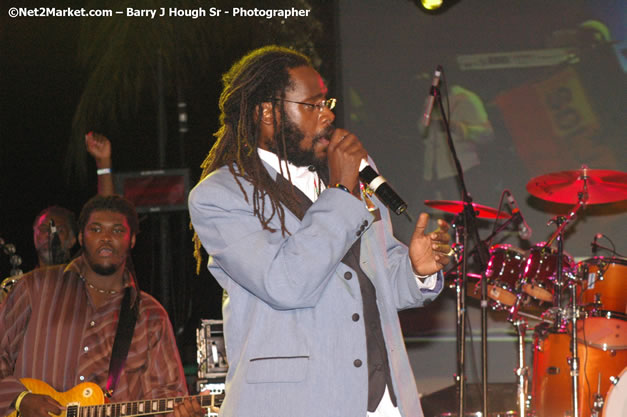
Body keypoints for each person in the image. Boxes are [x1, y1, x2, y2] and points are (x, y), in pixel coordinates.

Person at [188, 45, 452, 417]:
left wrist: (415, 271)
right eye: (313, 105)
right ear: (268, 112)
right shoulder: (221, 196)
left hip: (385, 402)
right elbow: (286, 283)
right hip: (297, 404)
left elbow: (378, 281)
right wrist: (341, 191)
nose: (328, 115)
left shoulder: (354, 171)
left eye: (327, 101)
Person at [0, 195, 204, 417]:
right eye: (96, 229)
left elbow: (166, 397)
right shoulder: (34, 289)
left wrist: (182, 414)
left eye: (117, 230)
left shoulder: (151, 315)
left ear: (132, 240)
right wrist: (20, 399)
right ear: (80, 236)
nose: (106, 238)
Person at [30, 132, 115, 269]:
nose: (51, 236)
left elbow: (106, 214)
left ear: (73, 240)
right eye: (44, 229)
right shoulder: (21, 284)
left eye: (60, 230)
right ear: (34, 235)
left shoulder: (80, 277)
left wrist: (103, 163)